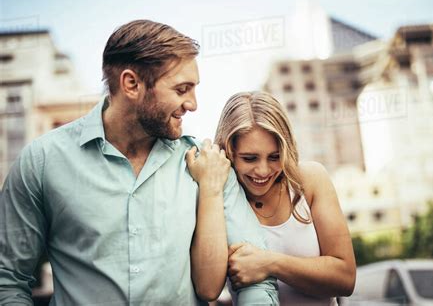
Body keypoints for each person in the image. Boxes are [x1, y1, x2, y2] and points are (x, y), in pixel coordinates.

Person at [0, 20, 278, 305]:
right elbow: (7, 280)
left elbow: (256, 278)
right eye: (182, 89)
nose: (193, 104)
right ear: (131, 84)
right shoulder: (42, 161)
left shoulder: (209, 166)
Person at [188, 91, 356, 305]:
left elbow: (345, 279)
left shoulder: (311, 180)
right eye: (250, 158)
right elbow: (208, 288)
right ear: (229, 152)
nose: (263, 170)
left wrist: (269, 263)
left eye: (275, 157)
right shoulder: (219, 200)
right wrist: (210, 190)